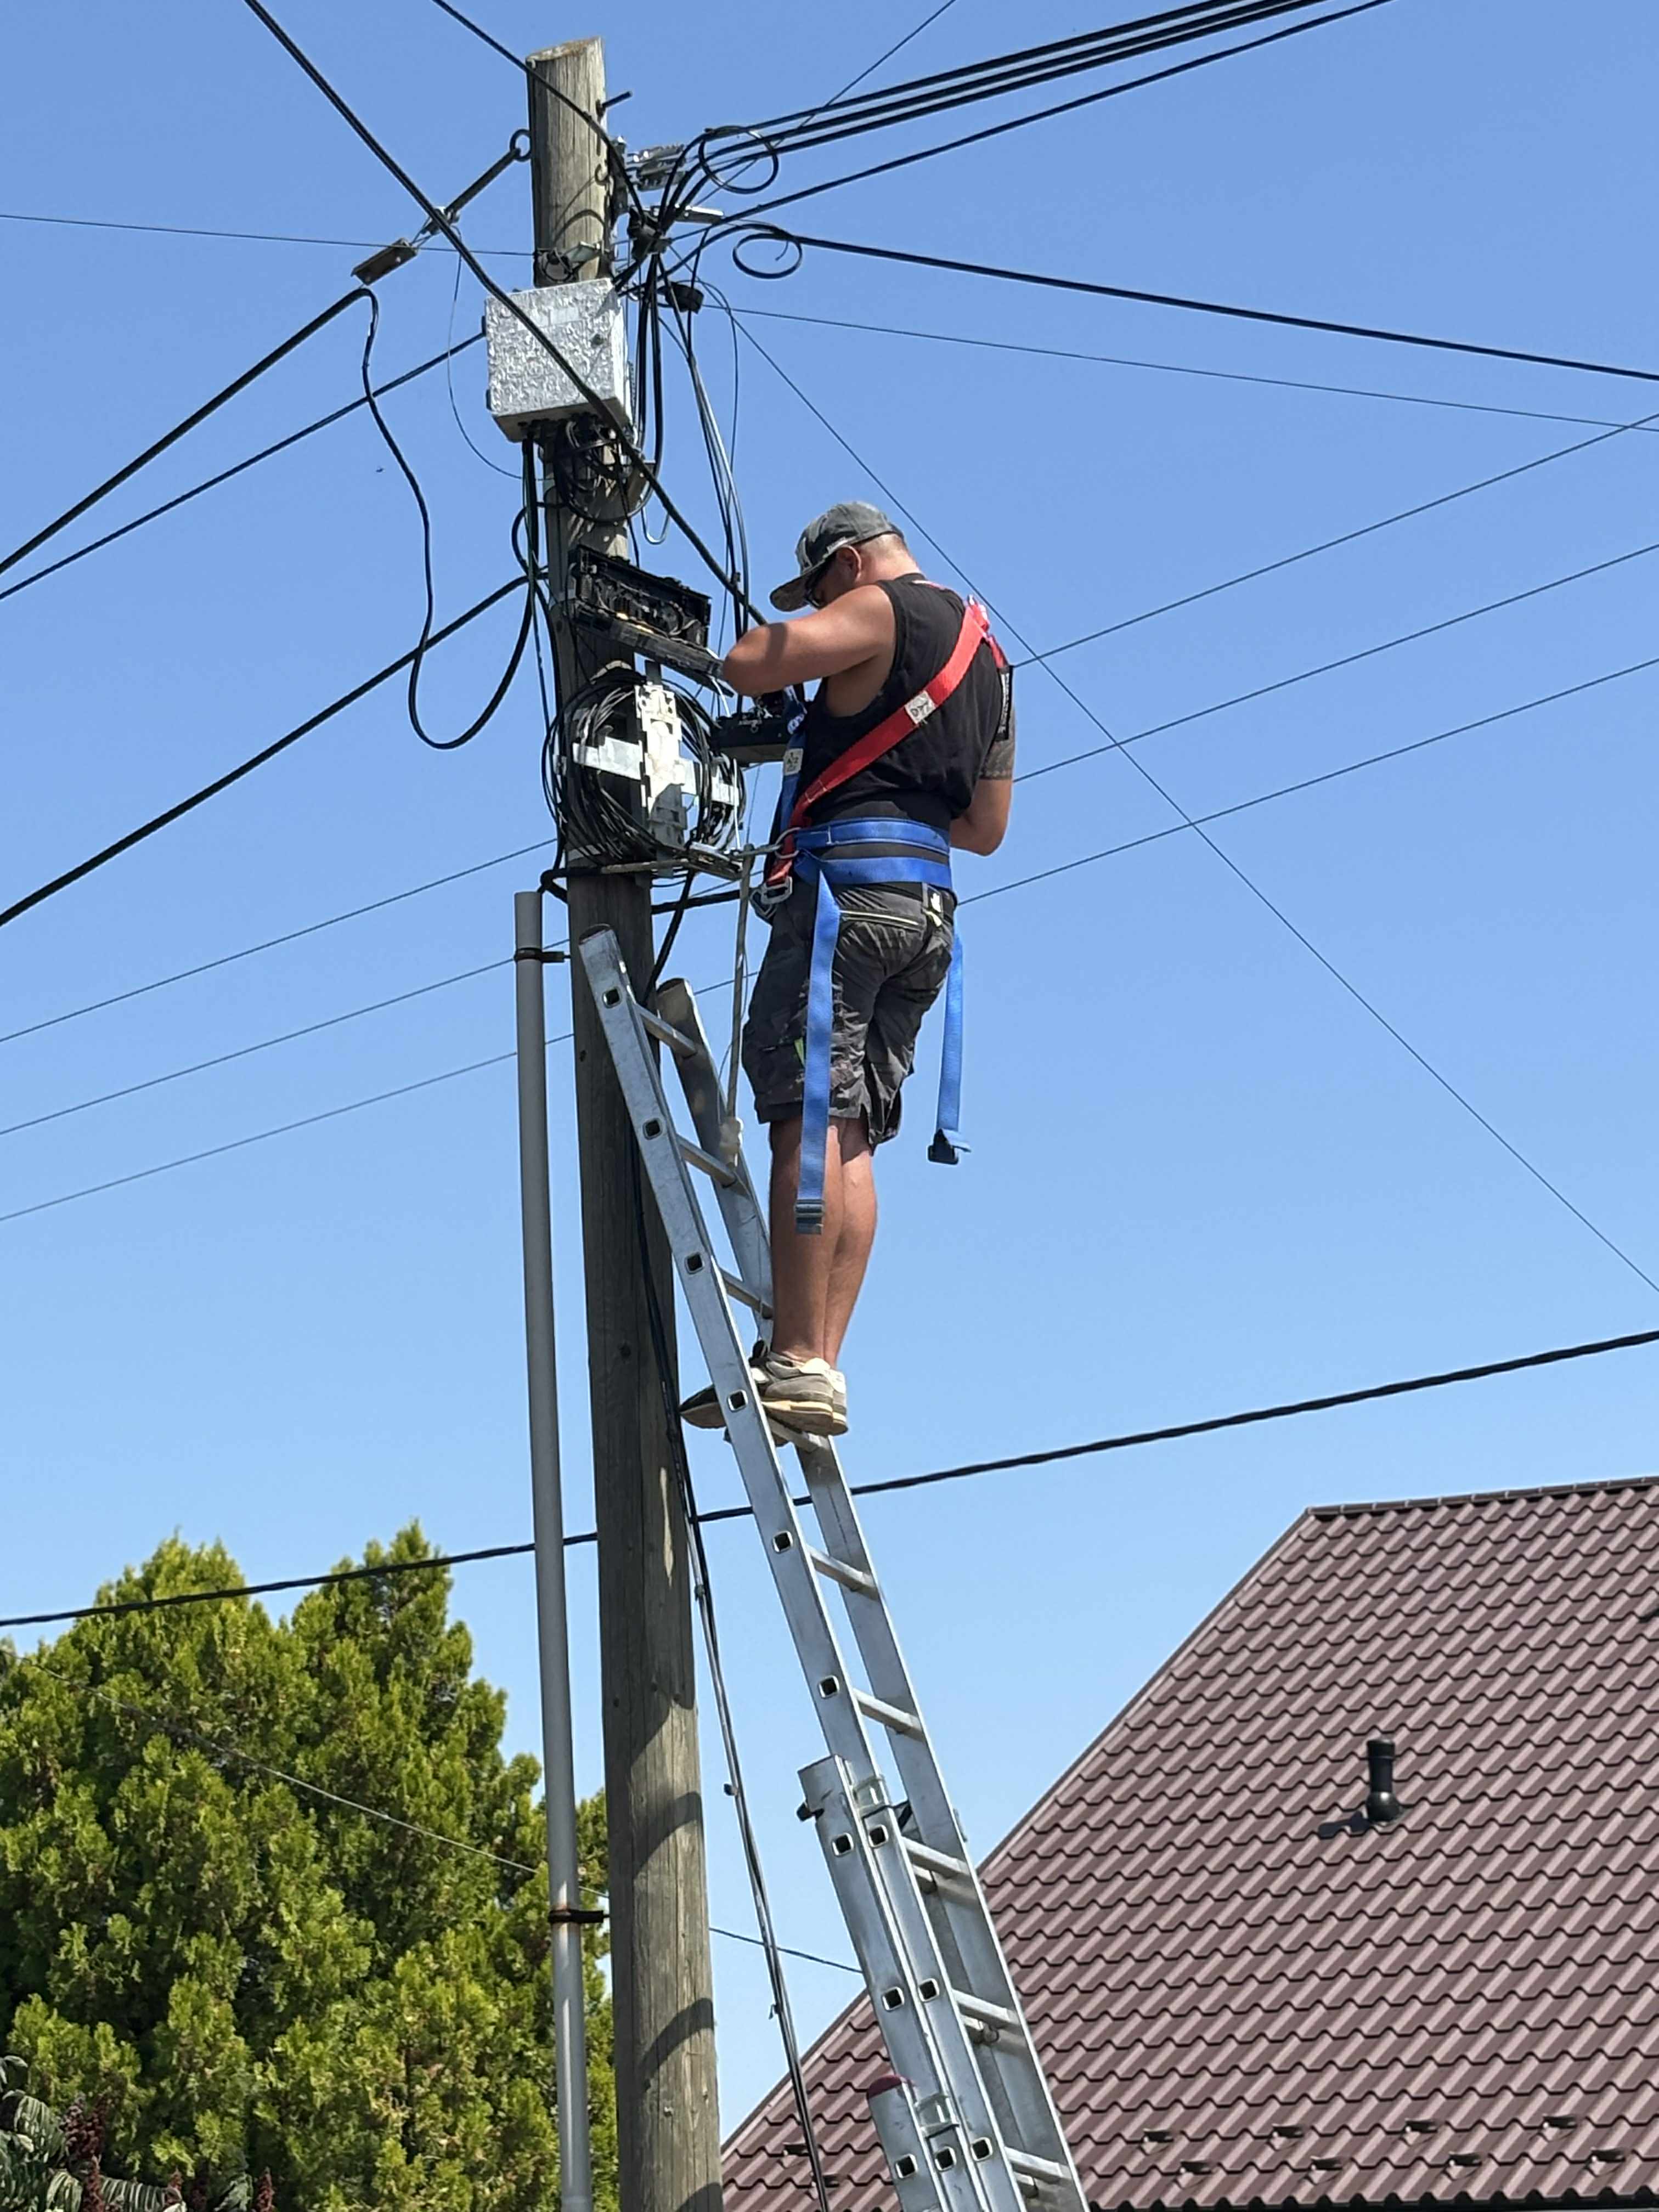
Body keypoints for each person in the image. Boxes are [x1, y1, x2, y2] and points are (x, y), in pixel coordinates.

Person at [684, 501, 1014, 1440]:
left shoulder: (883, 606)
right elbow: (986, 831)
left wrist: (842, 797)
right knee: (853, 1130)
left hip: (845, 910)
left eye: (821, 589)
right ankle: (818, 1360)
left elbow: (752, 660)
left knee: (805, 1112)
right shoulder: (990, 658)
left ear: (849, 563)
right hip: (928, 913)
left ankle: (792, 1356)